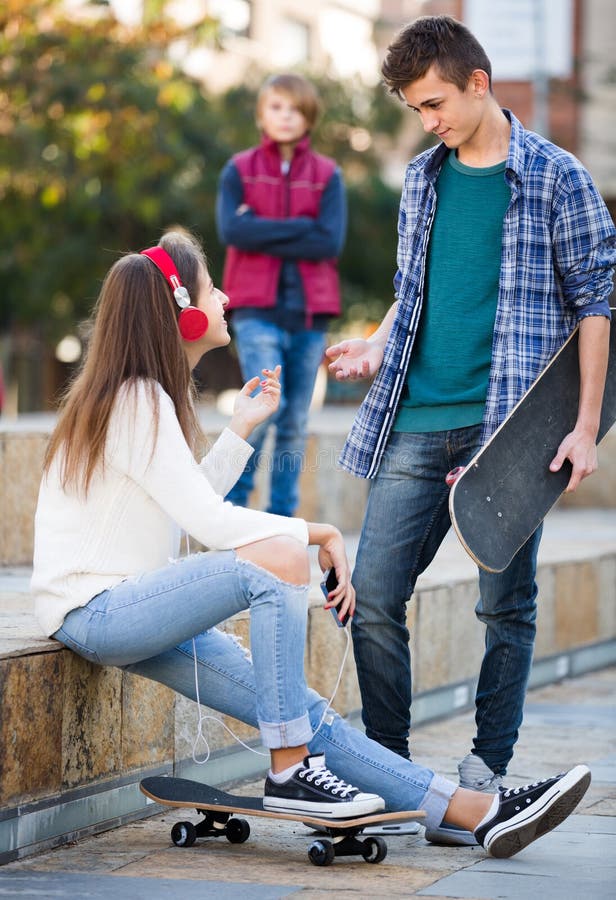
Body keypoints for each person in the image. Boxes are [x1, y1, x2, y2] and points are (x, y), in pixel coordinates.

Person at [30, 228, 590, 858]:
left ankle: (473, 812)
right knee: (275, 559)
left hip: (127, 609)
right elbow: (211, 525)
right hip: (97, 610)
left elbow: (186, 509)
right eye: (212, 289)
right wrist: (316, 534)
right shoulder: (138, 400)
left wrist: (241, 428)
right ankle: (289, 770)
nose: (226, 298)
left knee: (303, 710)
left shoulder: (140, 397)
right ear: (182, 312)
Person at [326, 15, 615, 845]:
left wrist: (585, 427)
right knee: (373, 598)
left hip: (507, 433)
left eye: (434, 103)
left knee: (506, 606)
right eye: (416, 109)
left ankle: (483, 780)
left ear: (478, 84)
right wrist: (377, 344)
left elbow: (598, 303)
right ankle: (392, 775)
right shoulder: (423, 179)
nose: (428, 121)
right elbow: (412, 289)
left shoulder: (557, 177)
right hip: (416, 420)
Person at [216, 72, 346, 517]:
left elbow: (328, 242)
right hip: (256, 311)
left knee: (294, 421)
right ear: (261, 114)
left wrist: (259, 228)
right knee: (263, 410)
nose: (286, 116)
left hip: (310, 315)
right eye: (276, 107)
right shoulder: (239, 170)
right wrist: (301, 227)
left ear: (308, 117)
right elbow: (232, 230)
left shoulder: (328, 175)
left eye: (295, 109)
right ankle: (232, 511)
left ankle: (281, 520)